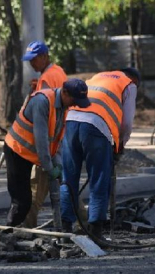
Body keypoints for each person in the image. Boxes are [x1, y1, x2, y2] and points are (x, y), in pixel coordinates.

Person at [59, 68, 140, 239]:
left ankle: (65, 229)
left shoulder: (97, 77)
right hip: (95, 126)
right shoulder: (129, 85)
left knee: (69, 178)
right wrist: (119, 148)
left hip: (71, 121)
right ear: (134, 79)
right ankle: (95, 230)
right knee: (99, 179)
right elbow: (126, 124)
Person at [3, 79, 90, 227]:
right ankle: (9, 233)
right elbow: (41, 140)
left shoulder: (63, 106)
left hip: (34, 153)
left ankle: (23, 231)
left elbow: (56, 138)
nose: (75, 104)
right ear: (64, 92)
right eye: (74, 100)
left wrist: (57, 163)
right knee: (22, 201)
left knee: (31, 198)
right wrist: (49, 168)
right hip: (17, 150)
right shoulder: (42, 102)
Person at [21, 41, 68, 228]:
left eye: (34, 60)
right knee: (63, 184)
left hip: (49, 140)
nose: (31, 64)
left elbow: (41, 112)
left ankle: (26, 227)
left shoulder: (48, 78)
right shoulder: (57, 72)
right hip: (59, 136)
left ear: (44, 57)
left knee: (36, 188)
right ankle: (83, 223)